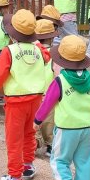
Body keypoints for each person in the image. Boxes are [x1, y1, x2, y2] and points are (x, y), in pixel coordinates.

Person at [0, 9, 52, 180]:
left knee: (14, 139)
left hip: (15, 102)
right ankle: (28, 165)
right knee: (29, 134)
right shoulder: (38, 49)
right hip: (36, 99)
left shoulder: (9, 51)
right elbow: (47, 56)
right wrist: (35, 41)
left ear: (13, 34)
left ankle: (14, 177)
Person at [34, 35, 90, 180]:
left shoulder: (60, 81)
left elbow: (47, 103)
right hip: (87, 128)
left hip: (66, 128)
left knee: (59, 160)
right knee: (84, 162)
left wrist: (37, 120)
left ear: (61, 60)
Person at [34, 18, 59, 157]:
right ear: (51, 37)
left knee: (35, 120)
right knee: (50, 123)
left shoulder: (33, 52)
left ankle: (35, 143)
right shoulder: (55, 54)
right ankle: (50, 146)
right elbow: (57, 74)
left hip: (33, 92)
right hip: (50, 94)